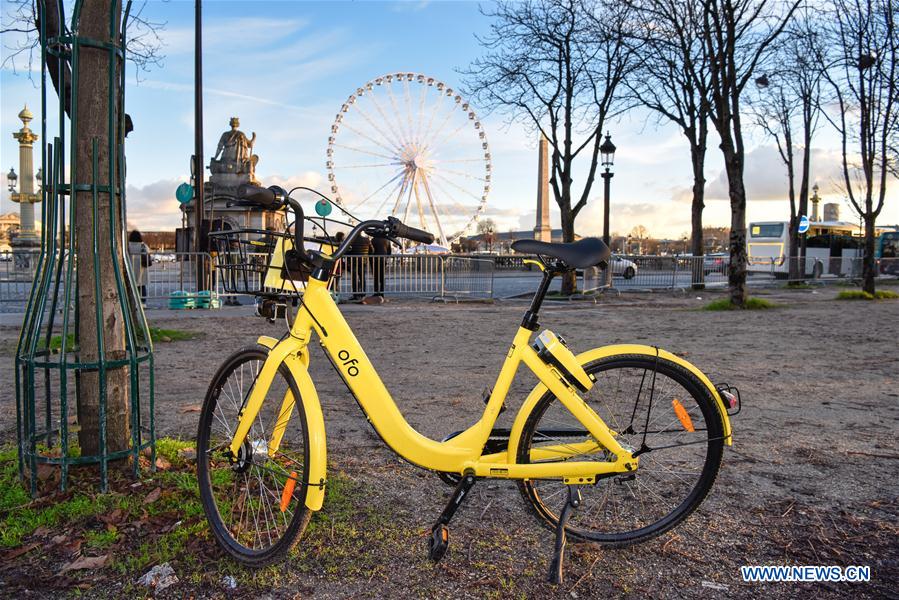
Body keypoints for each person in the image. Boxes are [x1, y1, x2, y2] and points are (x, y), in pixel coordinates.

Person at [128, 230, 152, 304]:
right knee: (142, 286)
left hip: (130, 268)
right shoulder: (143, 246)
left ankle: (132, 302)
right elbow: (149, 252)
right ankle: (143, 302)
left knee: (131, 287)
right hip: (141, 269)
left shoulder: (127, 246)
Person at [347, 232, 372, 301]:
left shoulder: (351, 240)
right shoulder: (366, 240)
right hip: (363, 262)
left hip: (353, 261)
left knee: (354, 278)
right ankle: (363, 293)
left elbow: (347, 250)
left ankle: (355, 295)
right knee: (362, 277)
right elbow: (372, 250)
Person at [370, 234, 392, 301]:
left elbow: (371, 251)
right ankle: (382, 293)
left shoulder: (373, 240)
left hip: (375, 260)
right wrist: (386, 257)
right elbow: (389, 251)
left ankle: (376, 292)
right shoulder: (387, 240)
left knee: (376, 277)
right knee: (382, 277)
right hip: (383, 259)